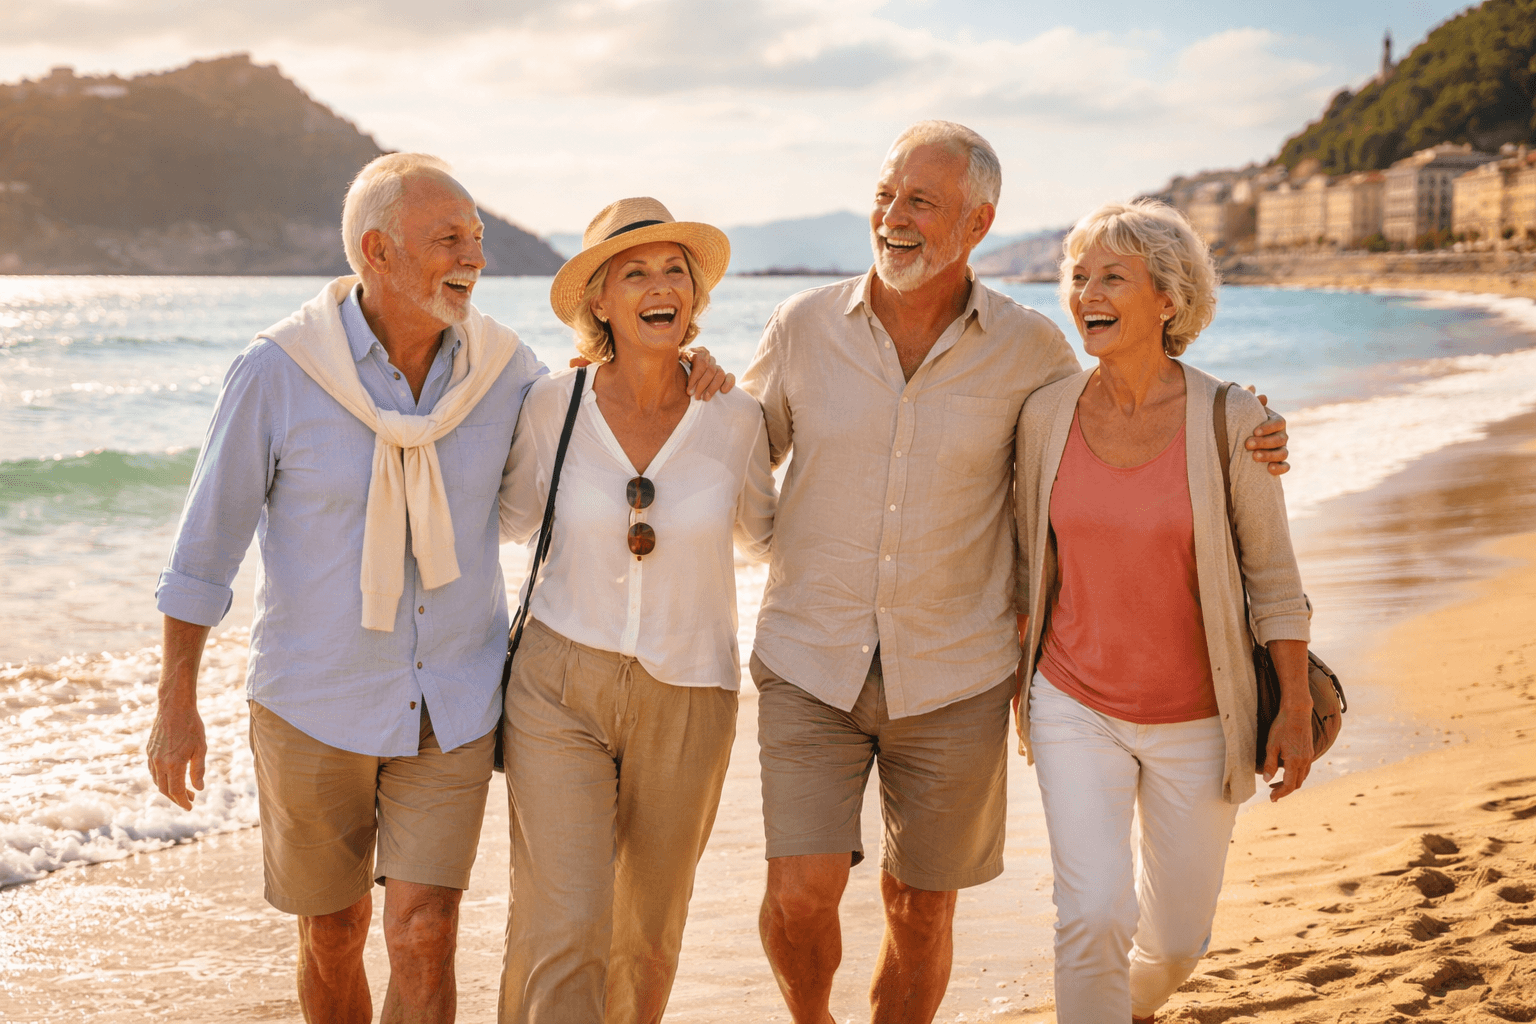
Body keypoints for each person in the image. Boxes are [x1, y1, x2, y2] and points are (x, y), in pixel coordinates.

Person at [145, 159, 730, 1024]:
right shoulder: (278, 370)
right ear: (377, 251)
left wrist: (685, 366)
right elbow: (204, 550)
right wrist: (176, 702)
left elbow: (600, 415)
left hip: (452, 702)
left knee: (425, 931)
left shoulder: (506, 370)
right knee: (334, 932)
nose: (474, 259)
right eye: (449, 240)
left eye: (477, 238)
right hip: (313, 699)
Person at [738, 121, 1293, 1023]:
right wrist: (655, 385)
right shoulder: (802, 326)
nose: (894, 216)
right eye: (885, 195)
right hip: (809, 659)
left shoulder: (1032, 351)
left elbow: (1129, 406)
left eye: (921, 200)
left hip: (957, 674)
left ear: (978, 222)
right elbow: (734, 448)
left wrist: (1247, 426)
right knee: (800, 896)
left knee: (921, 909)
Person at [1013, 199, 1315, 1024]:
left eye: (1113, 277)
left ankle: (1130, 1003)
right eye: (1078, 277)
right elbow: (1017, 552)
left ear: (1169, 300)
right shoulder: (1045, 416)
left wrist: (1293, 707)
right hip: (1073, 701)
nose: (1086, 294)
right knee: (1091, 914)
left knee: (1178, 941)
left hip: (1201, 716)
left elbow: (1274, 579)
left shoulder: (1234, 420)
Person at [496, 197, 776, 1024]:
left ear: (694, 294)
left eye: (675, 272)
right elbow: (506, 520)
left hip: (691, 689)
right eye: (636, 274)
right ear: (600, 301)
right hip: (558, 683)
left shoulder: (736, 416)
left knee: (648, 939)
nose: (661, 287)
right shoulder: (552, 405)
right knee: (564, 921)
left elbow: (766, 536)